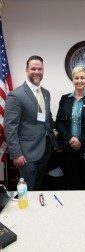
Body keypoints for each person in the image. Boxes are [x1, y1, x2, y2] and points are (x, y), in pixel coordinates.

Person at [4, 55, 54, 190]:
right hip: (26, 153)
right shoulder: (16, 95)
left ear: (43, 71)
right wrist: (16, 154)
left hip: (45, 148)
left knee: (39, 186)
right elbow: (10, 126)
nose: (36, 72)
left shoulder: (46, 93)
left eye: (40, 69)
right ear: (26, 70)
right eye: (33, 69)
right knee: (28, 189)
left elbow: (46, 118)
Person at [56, 66, 85, 190]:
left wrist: (81, 141)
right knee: (71, 182)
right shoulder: (65, 99)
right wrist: (70, 139)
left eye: (82, 77)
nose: (79, 81)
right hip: (69, 148)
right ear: (72, 80)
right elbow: (59, 122)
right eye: (76, 78)